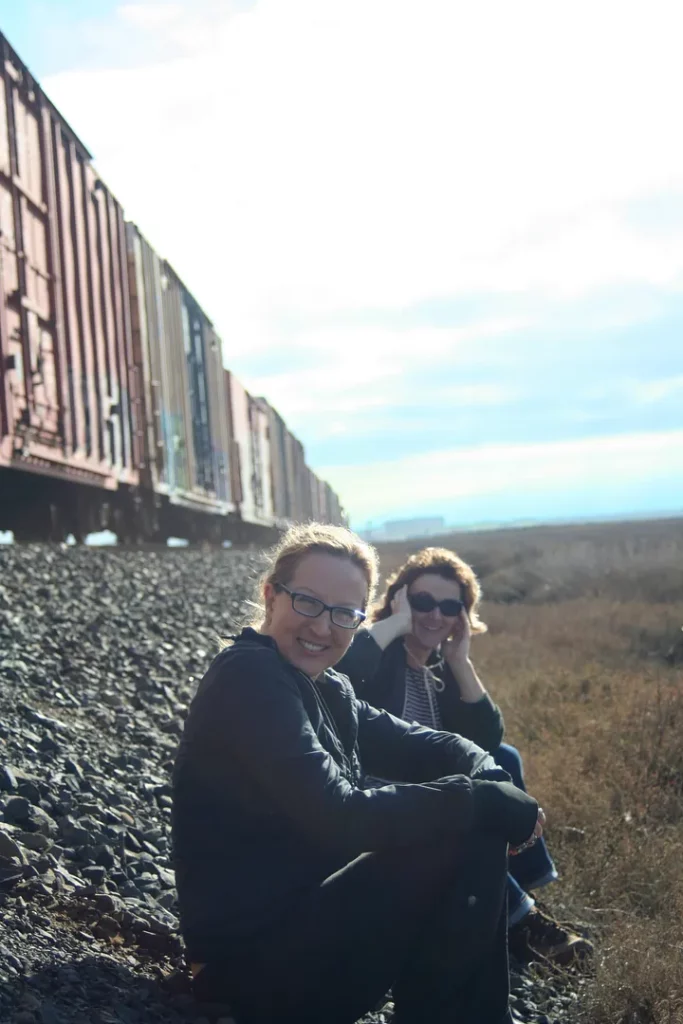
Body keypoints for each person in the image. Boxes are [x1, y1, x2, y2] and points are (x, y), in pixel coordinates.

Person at [172, 523, 543, 1024]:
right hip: (249, 974)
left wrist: (490, 773)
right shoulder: (249, 676)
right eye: (307, 602)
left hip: (300, 941)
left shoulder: (328, 688)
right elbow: (338, 813)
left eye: (344, 613)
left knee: (469, 817)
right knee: (466, 823)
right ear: (270, 596)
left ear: (359, 618)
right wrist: (483, 802)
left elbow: (429, 744)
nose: (323, 628)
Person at [337, 546, 592, 967]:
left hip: (430, 783)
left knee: (504, 758)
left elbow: (489, 736)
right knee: (467, 796)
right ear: (401, 598)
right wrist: (396, 624)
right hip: (377, 790)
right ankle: (526, 921)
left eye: (449, 606)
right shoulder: (377, 650)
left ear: (461, 614)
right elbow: (340, 674)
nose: (435, 616)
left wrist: (459, 659)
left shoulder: (440, 662)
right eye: (422, 602)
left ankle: (519, 896)